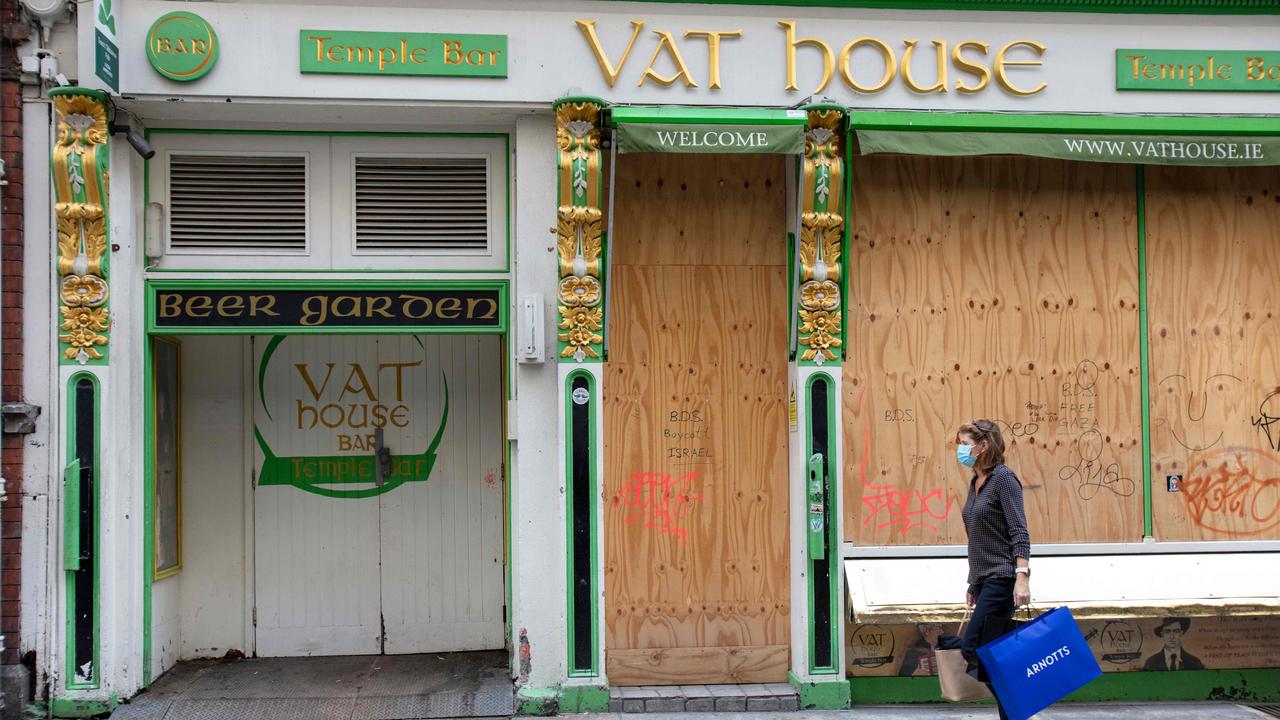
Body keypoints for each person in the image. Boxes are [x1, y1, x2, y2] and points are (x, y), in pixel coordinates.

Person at [957, 419, 1032, 720]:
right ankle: (1015, 712)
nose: (960, 450)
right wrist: (973, 583)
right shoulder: (975, 482)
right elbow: (978, 538)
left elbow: (1019, 531)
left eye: (964, 444)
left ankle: (1019, 704)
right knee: (993, 654)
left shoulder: (1004, 479)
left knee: (972, 647)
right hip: (985, 580)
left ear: (983, 445)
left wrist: (1022, 578)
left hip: (1002, 578)